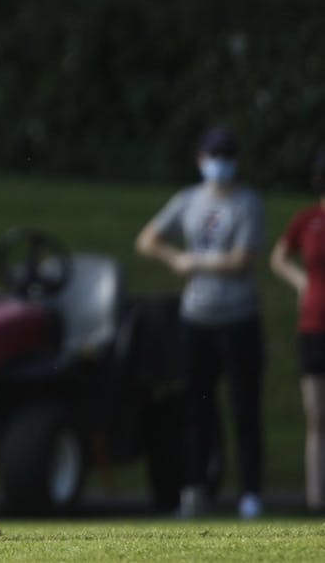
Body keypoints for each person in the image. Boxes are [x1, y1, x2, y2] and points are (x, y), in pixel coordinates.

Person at [135, 123, 266, 520]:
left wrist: (197, 262)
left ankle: (250, 495)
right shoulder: (188, 200)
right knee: (196, 408)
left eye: (226, 156)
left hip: (238, 319)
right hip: (197, 318)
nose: (219, 163)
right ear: (200, 159)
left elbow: (242, 259)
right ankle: (195, 489)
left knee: (244, 408)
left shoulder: (247, 203)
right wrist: (176, 259)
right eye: (213, 156)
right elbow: (147, 239)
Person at [269, 144, 325, 514]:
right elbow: (279, 257)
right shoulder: (307, 220)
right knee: (316, 417)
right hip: (314, 326)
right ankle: (316, 499)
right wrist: (301, 282)